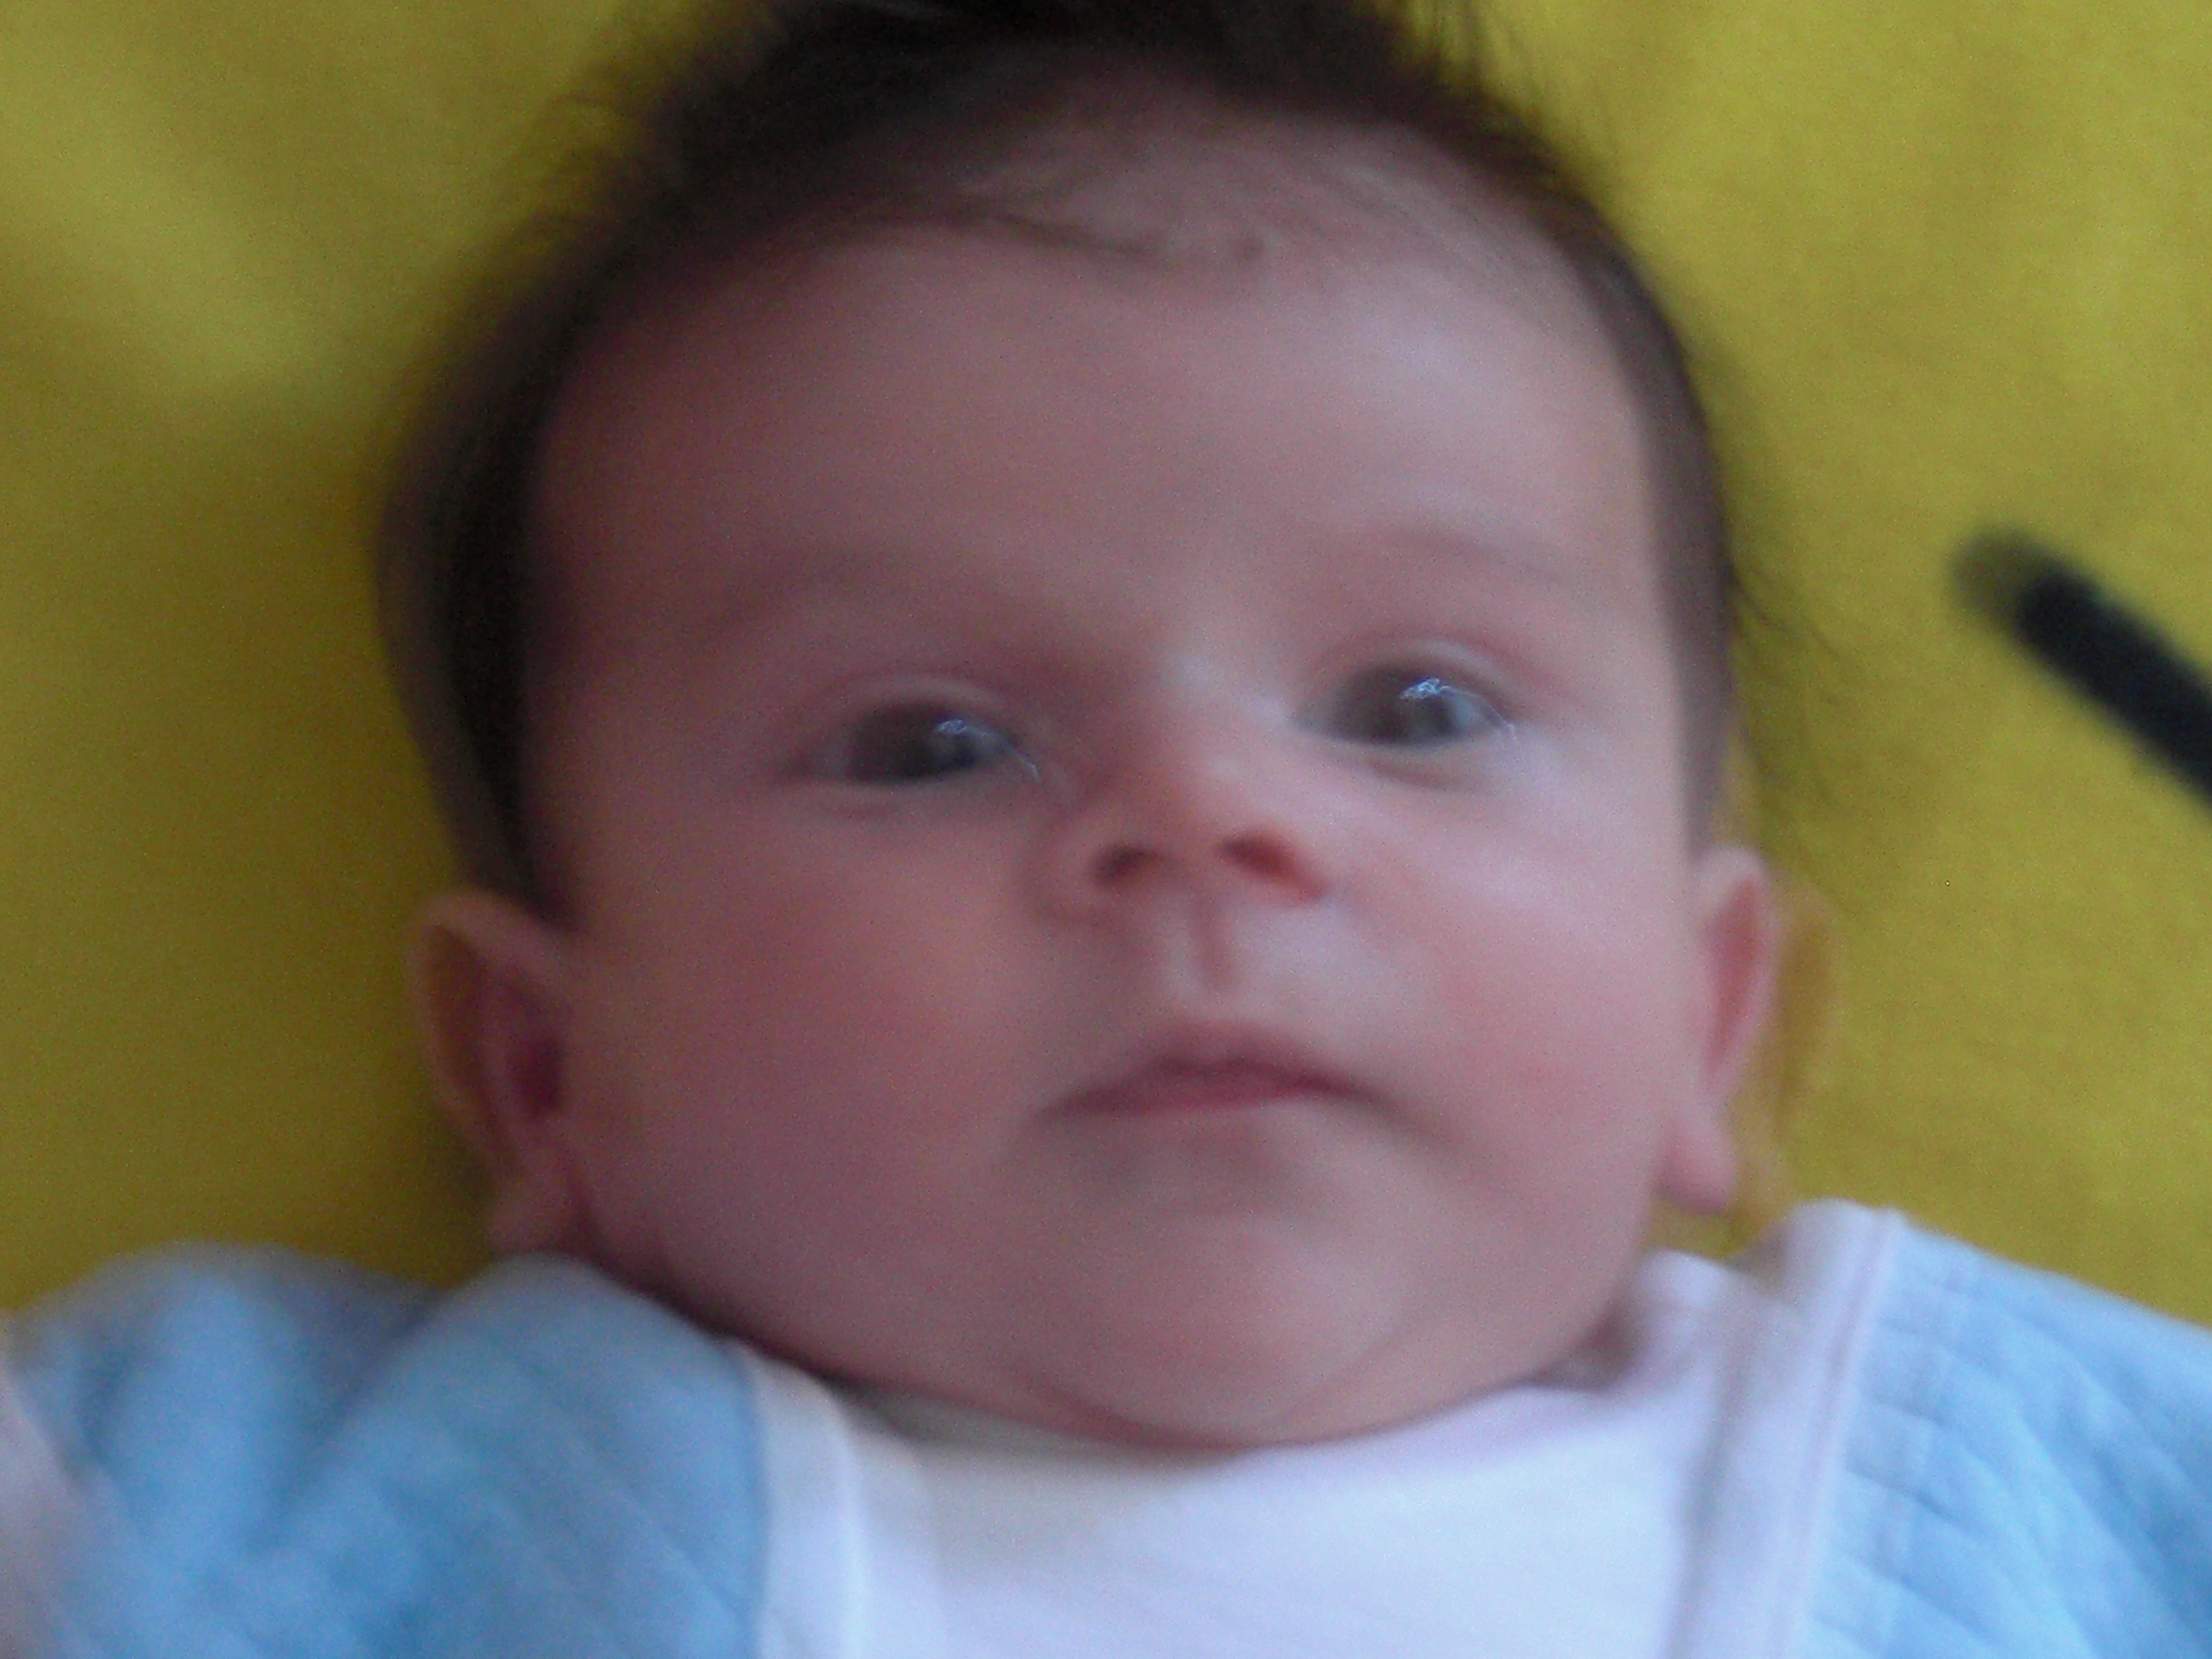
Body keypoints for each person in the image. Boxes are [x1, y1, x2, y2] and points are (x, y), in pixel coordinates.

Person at [4, 0, 2210, 1651]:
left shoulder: (2058, 1482)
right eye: (931, 745)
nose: (1209, 813)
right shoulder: (308, 1500)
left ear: (1705, 1015)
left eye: (1414, 711)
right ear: (547, 1074)